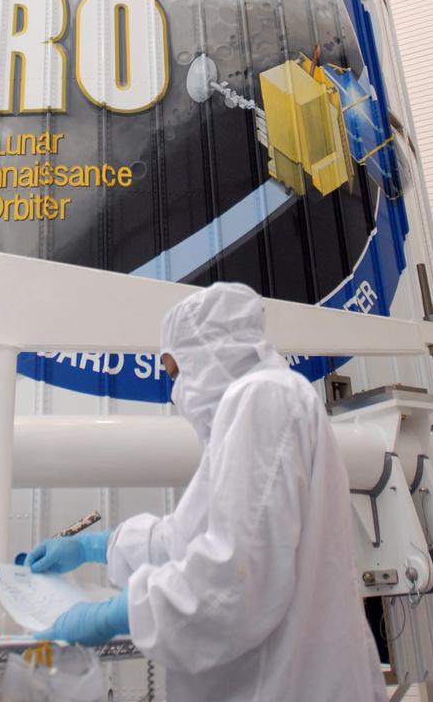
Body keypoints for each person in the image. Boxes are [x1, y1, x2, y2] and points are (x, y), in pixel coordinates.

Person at [28, 282, 387, 702]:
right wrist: (97, 547)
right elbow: (191, 537)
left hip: (285, 683)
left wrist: (117, 612)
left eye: (177, 372)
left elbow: (235, 576)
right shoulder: (264, 400)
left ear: (210, 354)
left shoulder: (262, 397)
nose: (177, 391)